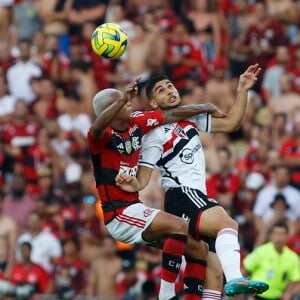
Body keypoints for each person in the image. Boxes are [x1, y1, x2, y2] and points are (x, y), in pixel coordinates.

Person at [115, 64, 269, 297]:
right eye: (160, 90)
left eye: (170, 85)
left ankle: (229, 279)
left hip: (195, 196)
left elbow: (231, 123)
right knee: (228, 225)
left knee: (214, 272)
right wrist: (131, 182)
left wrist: (242, 90)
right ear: (153, 104)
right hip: (181, 195)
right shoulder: (155, 134)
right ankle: (237, 278)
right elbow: (143, 179)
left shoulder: (191, 119)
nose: (169, 90)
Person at [87, 78, 225, 300]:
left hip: (135, 208)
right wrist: (121, 98)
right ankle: (166, 295)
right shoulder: (100, 138)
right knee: (179, 225)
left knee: (198, 250)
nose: (130, 102)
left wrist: (204, 106)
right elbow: (96, 127)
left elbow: (171, 115)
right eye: (122, 102)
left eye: (127, 99)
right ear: (110, 111)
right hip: (119, 215)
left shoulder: (137, 124)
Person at [243, 221, 300, 300]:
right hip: (256, 296)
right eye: (276, 233)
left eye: (282, 234)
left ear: (287, 236)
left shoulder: (292, 257)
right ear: (271, 236)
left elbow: (295, 280)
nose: (278, 237)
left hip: (277, 297)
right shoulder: (260, 251)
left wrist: (288, 293)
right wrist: (246, 293)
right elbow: (245, 270)